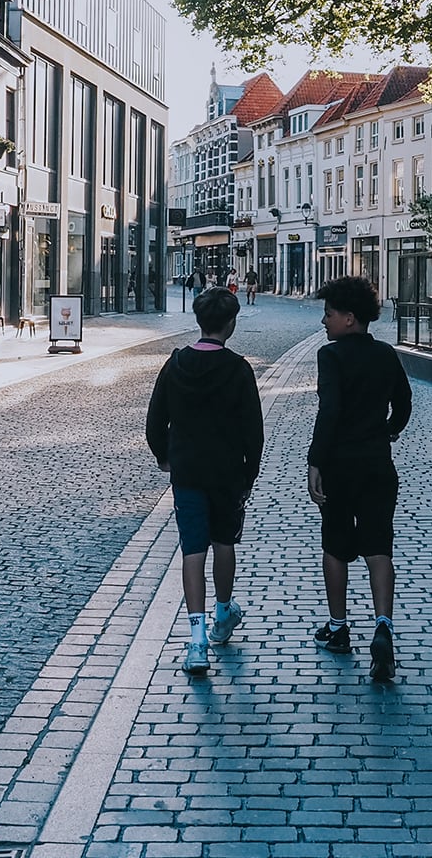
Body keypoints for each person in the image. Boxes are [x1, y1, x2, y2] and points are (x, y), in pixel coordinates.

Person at [145, 287, 264, 676]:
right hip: (227, 471)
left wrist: (165, 456)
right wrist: (249, 473)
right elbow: (254, 430)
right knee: (223, 542)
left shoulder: (175, 364)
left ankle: (196, 640)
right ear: (231, 324)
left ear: (199, 321)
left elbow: (154, 420)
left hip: (188, 471)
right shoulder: (239, 368)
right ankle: (222, 613)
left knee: (192, 549)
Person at [307, 275, 412, 681]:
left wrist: (316, 461)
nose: (324, 322)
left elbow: (328, 410)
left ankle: (338, 628)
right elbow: (403, 401)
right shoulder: (386, 354)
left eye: (329, 314)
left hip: (339, 465)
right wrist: (389, 429)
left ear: (349, 318)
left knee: (335, 544)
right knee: (378, 545)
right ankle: (383, 626)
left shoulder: (330, 357)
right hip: (377, 464)